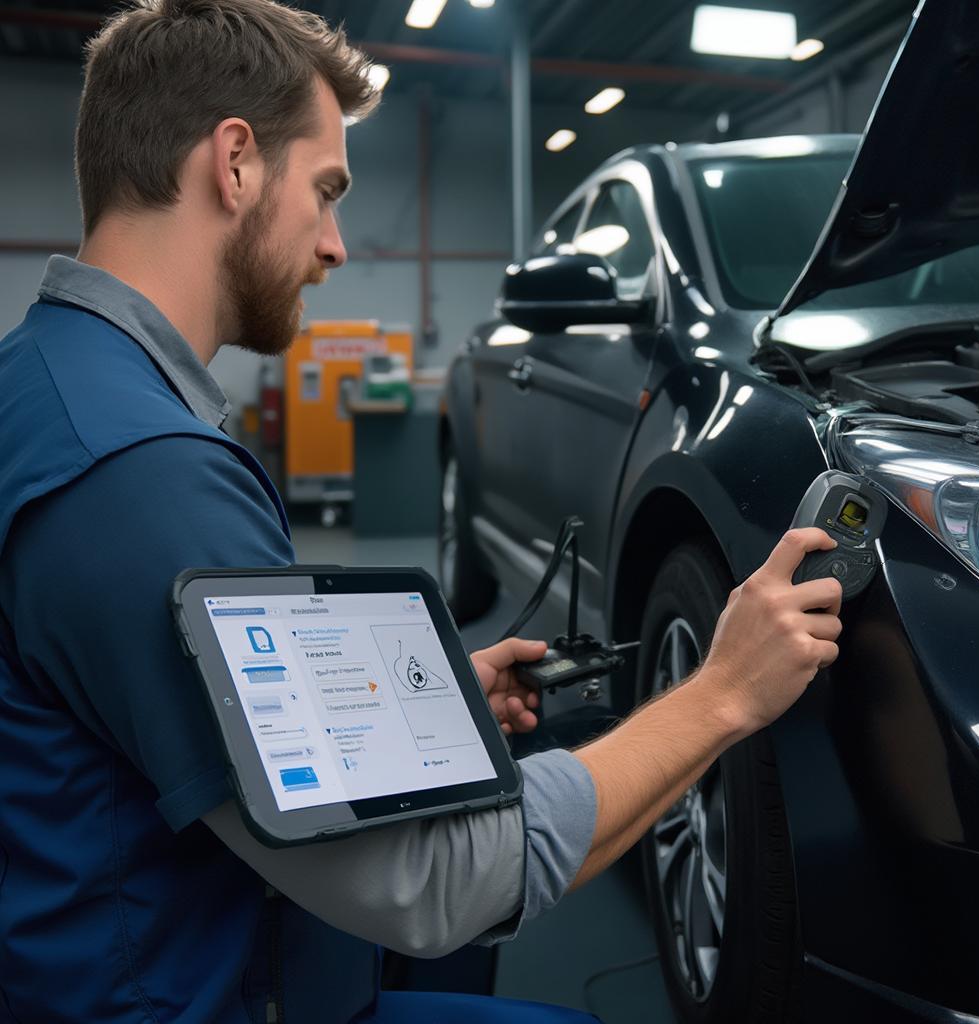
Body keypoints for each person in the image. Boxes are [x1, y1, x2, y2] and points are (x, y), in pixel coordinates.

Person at [0, 1, 844, 1021]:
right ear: (233, 164)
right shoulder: (142, 476)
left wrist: (411, 710)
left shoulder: (51, 386)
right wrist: (722, 694)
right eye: (325, 192)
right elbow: (437, 881)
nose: (337, 245)